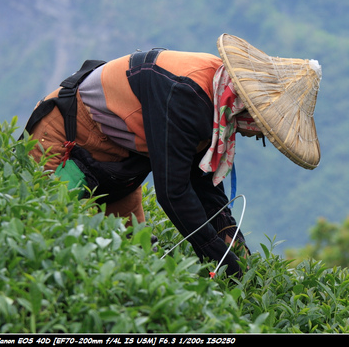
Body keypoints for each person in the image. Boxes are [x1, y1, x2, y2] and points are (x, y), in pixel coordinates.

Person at [23, 33, 322, 277]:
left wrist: (229, 235)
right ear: (252, 112)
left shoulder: (220, 96)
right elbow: (173, 191)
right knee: (44, 242)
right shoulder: (188, 96)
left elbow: (201, 179)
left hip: (120, 168)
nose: (259, 136)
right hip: (67, 139)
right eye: (265, 130)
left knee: (136, 261)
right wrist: (215, 253)